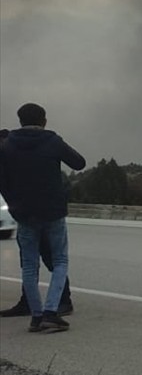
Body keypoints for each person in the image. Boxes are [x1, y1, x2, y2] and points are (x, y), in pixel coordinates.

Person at [0, 104, 86, 332]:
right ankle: (52, 311)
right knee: (59, 261)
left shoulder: (7, 145)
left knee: (29, 265)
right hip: (52, 211)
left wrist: (15, 205)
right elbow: (79, 162)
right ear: (44, 120)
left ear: (19, 120)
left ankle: (36, 316)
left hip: (25, 213)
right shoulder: (52, 141)